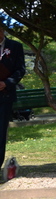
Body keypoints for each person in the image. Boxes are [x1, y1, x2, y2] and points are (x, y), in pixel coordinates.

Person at [0, 22, 25, 169]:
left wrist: (7, 83)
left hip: (5, 95)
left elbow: (20, 69)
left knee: (1, 132)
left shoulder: (15, 46)